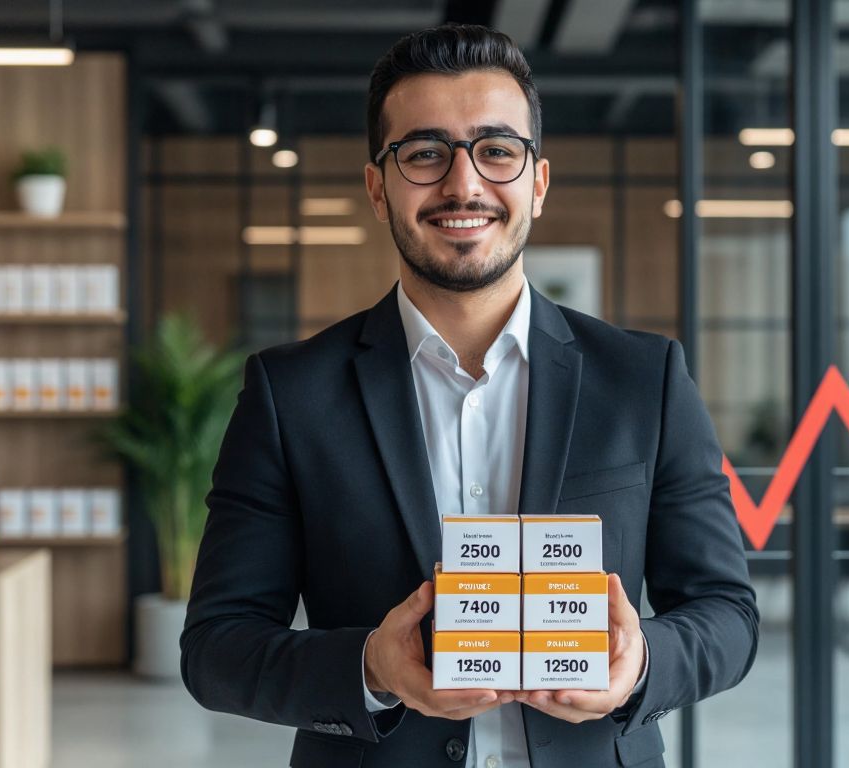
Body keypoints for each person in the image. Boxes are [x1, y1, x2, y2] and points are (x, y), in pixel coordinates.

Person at [180, 24, 759, 768]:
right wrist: (370, 671)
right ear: (377, 186)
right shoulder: (290, 394)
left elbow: (728, 617)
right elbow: (216, 647)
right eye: (424, 153)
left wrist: (641, 663)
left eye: (496, 150)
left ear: (537, 183)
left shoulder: (644, 380)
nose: (463, 184)